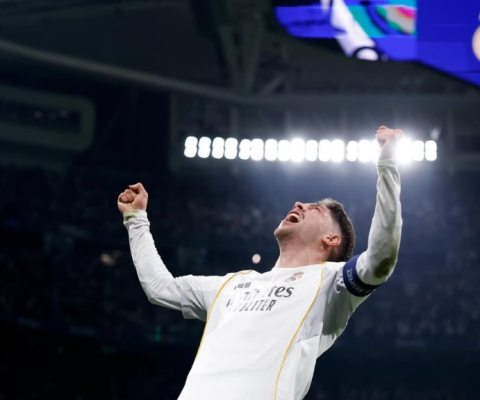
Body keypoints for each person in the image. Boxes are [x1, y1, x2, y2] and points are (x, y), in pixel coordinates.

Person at [117, 126, 403, 400]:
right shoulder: (231, 285)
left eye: (315, 208)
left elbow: (381, 259)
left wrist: (387, 163)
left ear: (331, 239)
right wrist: (136, 219)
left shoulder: (332, 283)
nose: (299, 204)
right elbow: (159, 287)